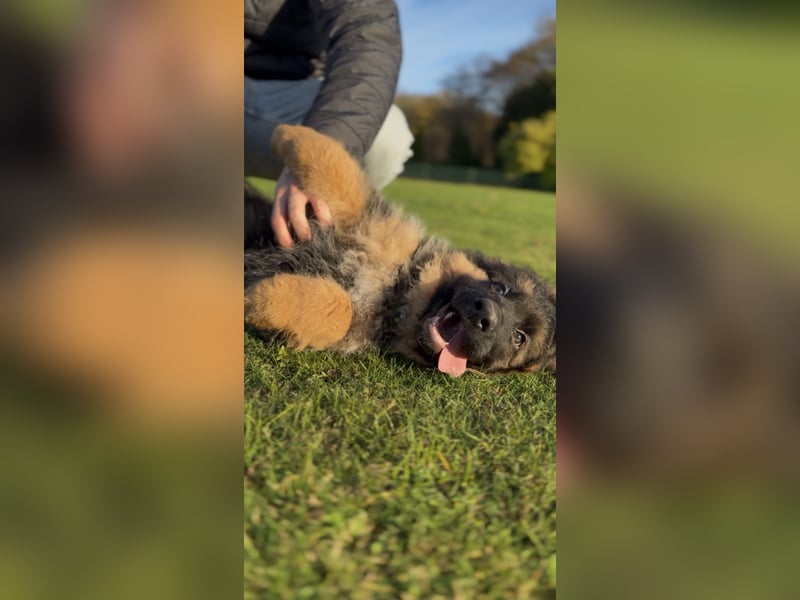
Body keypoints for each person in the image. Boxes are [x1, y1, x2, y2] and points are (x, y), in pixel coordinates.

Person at [244, 0, 414, 248]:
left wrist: (314, 159)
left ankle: (311, 244)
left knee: (386, 137)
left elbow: (366, 32)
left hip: (286, 95)